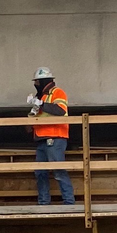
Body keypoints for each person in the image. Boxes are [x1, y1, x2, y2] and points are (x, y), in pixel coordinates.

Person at [26, 67, 74, 206]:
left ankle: (69, 203)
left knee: (58, 171)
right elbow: (34, 118)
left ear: (43, 81)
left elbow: (60, 110)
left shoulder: (57, 93)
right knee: (40, 172)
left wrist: (41, 104)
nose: (35, 84)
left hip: (55, 137)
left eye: (37, 82)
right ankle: (43, 203)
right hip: (41, 139)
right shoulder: (41, 97)